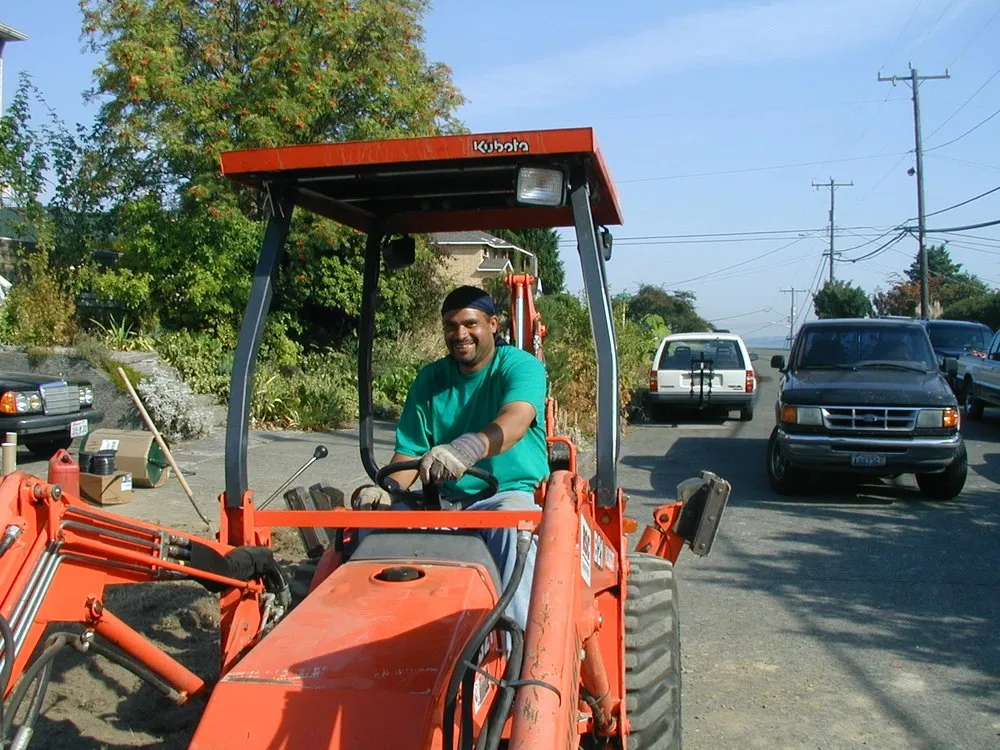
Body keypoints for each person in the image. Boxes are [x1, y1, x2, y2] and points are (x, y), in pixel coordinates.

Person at [354, 285, 548, 630]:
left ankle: (519, 646)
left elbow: (516, 419)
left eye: (470, 323)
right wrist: (387, 491)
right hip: (444, 501)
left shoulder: (520, 367)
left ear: (493, 323)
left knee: (515, 528)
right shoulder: (431, 379)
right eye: (451, 326)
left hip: (505, 494)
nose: (460, 334)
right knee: (374, 525)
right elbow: (410, 451)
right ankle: (372, 631)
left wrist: (468, 448)